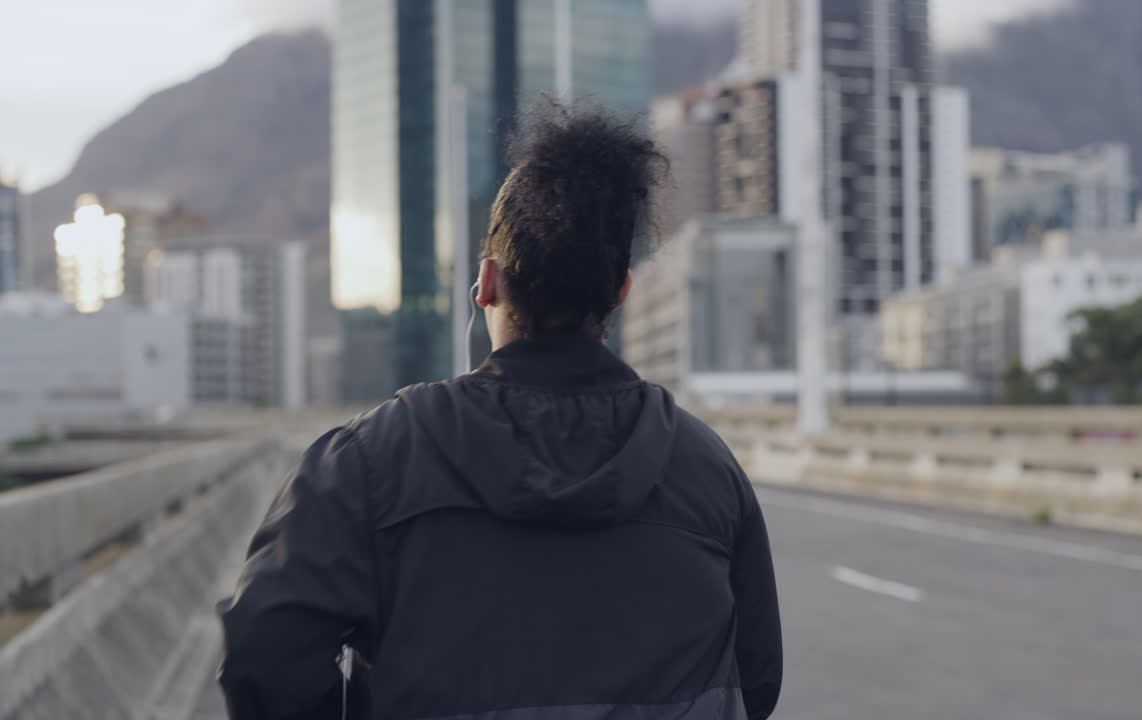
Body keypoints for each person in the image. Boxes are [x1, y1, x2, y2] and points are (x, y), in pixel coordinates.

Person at [218, 102, 783, 719]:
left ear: (487, 282)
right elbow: (753, 678)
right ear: (621, 290)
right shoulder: (706, 467)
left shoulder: (371, 459)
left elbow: (264, 657)